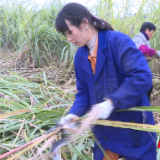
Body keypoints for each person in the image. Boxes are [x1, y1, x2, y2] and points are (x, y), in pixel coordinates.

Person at [55, 3, 156, 160]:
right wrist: (73, 114)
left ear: (84, 23)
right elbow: (84, 93)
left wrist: (111, 103)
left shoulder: (118, 42)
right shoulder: (80, 57)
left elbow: (142, 76)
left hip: (134, 129)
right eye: (65, 35)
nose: (69, 39)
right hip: (106, 132)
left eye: (70, 32)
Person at [133, 22, 160, 102]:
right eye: (152, 33)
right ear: (147, 30)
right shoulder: (138, 37)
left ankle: (145, 106)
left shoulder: (145, 40)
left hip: (141, 68)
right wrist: (156, 52)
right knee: (146, 87)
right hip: (136, 69)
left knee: (148, 86)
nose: (151, 35)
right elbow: (142, 49)